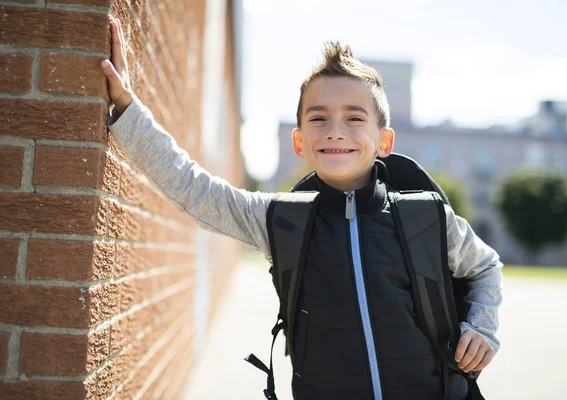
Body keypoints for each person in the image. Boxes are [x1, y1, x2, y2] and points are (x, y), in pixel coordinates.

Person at [101, 16, 502, 400]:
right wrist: (127, 109)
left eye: (355, 118)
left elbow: (485, 266)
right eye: (318, 118)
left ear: (384, 141)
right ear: (299, 142)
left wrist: (482, 328)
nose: (335, 130)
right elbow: (192, 188)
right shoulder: (282, 220)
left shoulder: (425, 219)